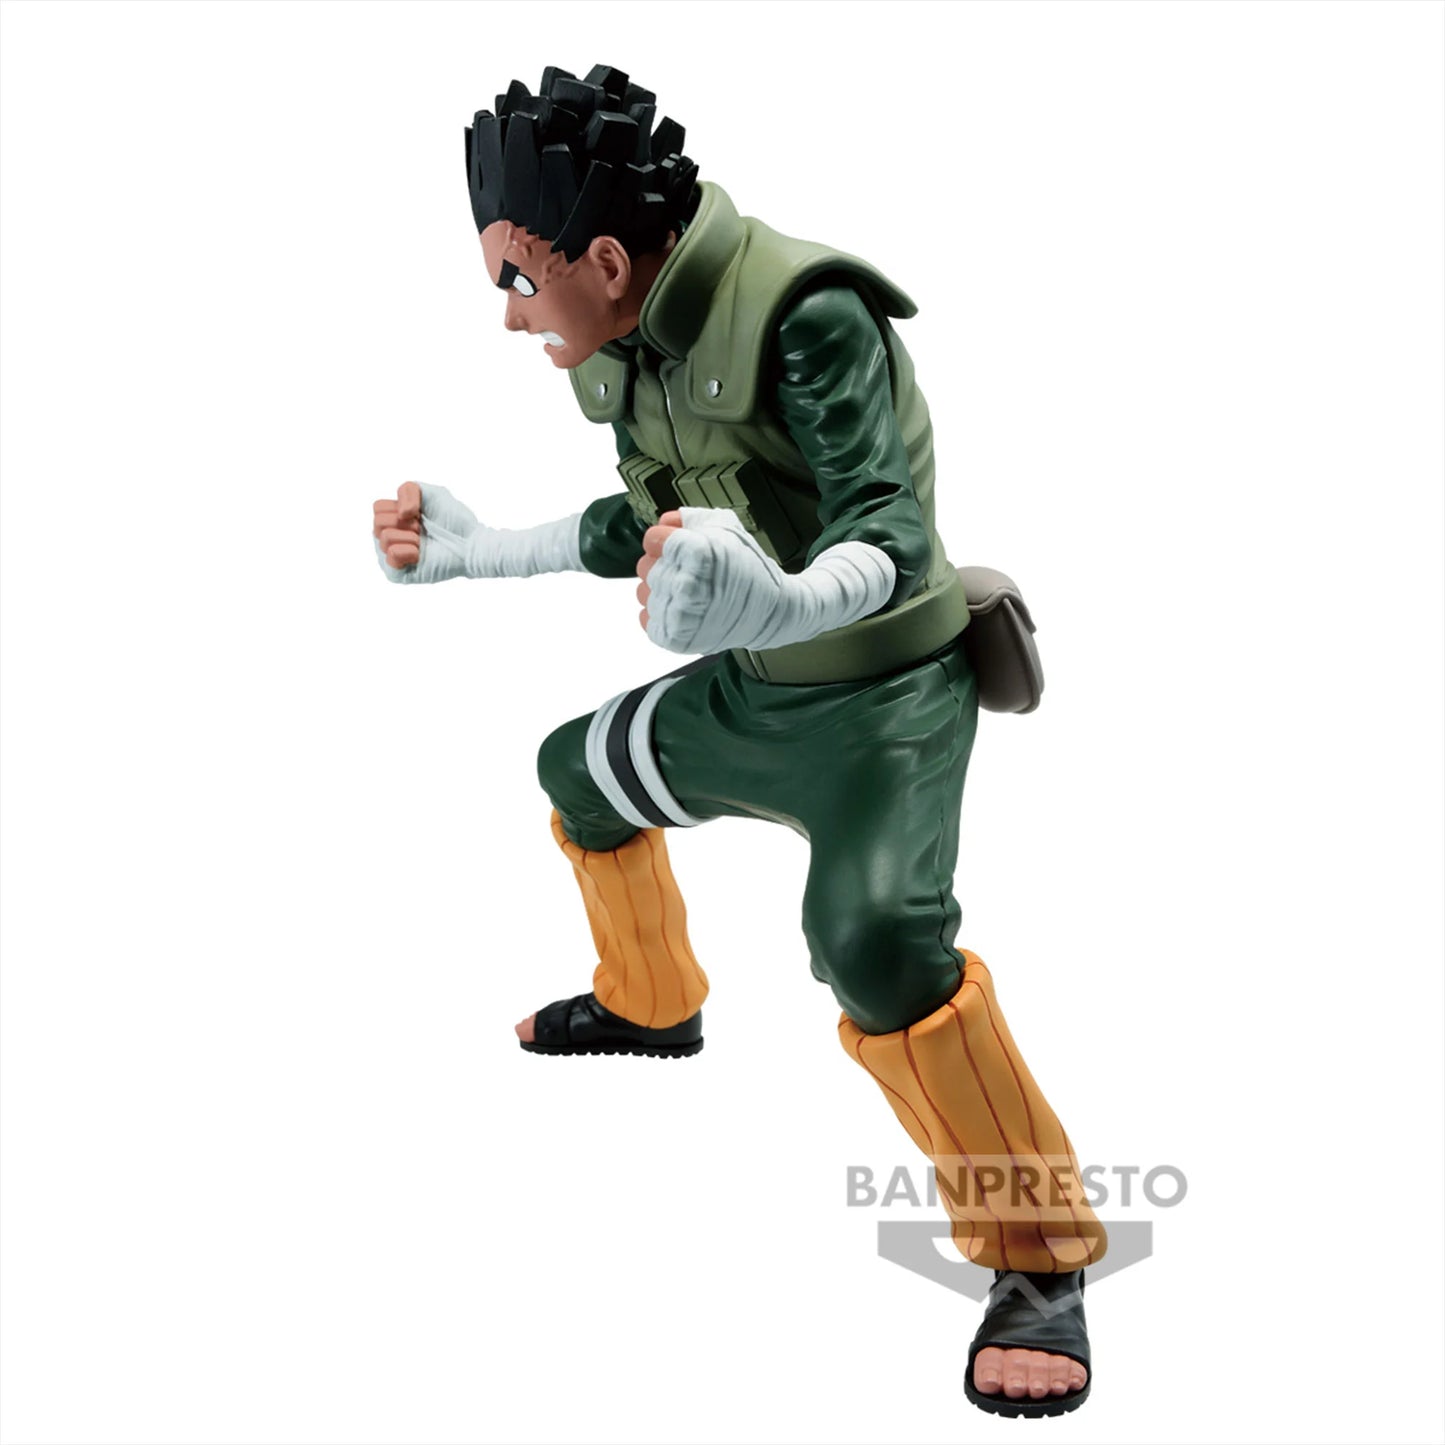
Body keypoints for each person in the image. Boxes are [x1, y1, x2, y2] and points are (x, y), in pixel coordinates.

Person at [372, 63, 1107, 1418]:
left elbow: (887, 534)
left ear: (604, 260)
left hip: (885, 701)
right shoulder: (629, 341)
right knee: (578, 773)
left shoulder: (807, 314)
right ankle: (652, 999)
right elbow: (641, 517)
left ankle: (1038, 1253)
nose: (511, 314)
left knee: (874, 945)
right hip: (757, 693)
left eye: (518, 280)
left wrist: (778, 599)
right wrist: (487, 551)